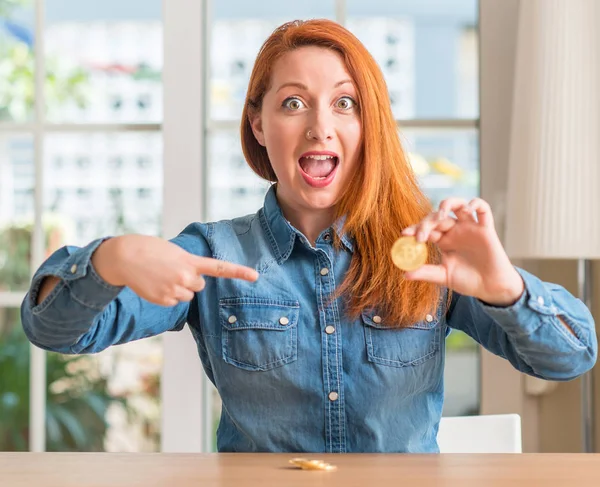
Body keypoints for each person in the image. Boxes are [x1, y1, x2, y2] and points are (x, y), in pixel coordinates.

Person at [21, 19, 597, 454]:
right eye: (293, 103)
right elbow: (51, 330)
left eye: (345, 103)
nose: (320, 125)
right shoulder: (213, 255)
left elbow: (573, 357)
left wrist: (505, 289)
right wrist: (109, 259)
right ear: (258, 124)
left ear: (368, 125)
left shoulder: (426, 252)